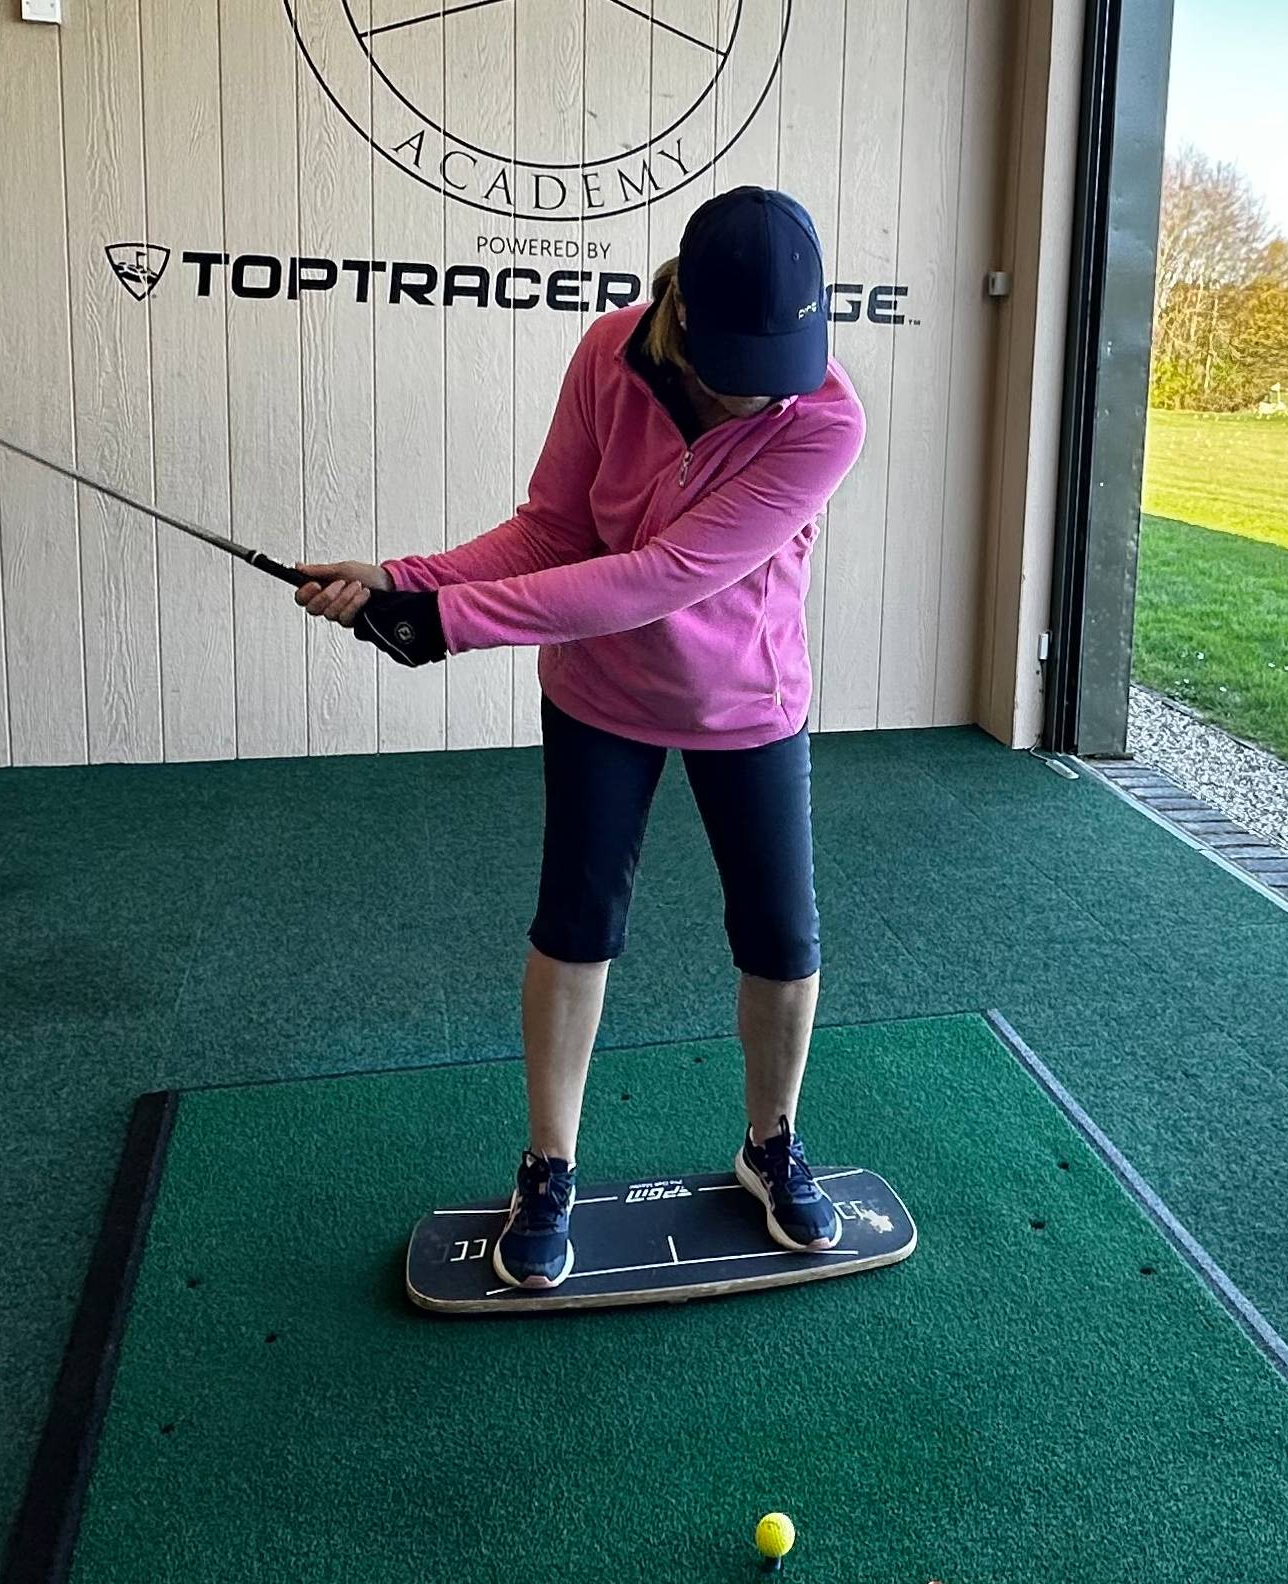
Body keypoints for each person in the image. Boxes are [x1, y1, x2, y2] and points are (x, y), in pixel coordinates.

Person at [293, 187, 865, 1289]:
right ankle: (547, 1165)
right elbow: (553, 525)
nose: (760, 389)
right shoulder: (608, 352)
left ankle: (770, 1144)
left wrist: (444, 623)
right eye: (738, 356)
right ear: (684, 315)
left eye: (780, 357)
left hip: (746, 702)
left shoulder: (825, 418)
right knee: (574, 923)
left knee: (781, 939)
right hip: (600, 694)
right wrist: (403, 581)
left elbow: (662, 578)